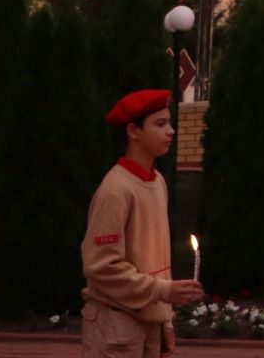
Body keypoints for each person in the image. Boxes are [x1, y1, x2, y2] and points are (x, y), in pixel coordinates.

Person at [82, 90, 203, 358]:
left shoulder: (157, 181)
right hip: (117, 324)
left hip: (150, 321)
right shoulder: (115, 191)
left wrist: (166, 319)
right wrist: (164, 291)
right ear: (133, 131)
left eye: (169, 123)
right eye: (160, 124)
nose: (170, 131)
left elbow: (159, 259)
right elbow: (101, 266)